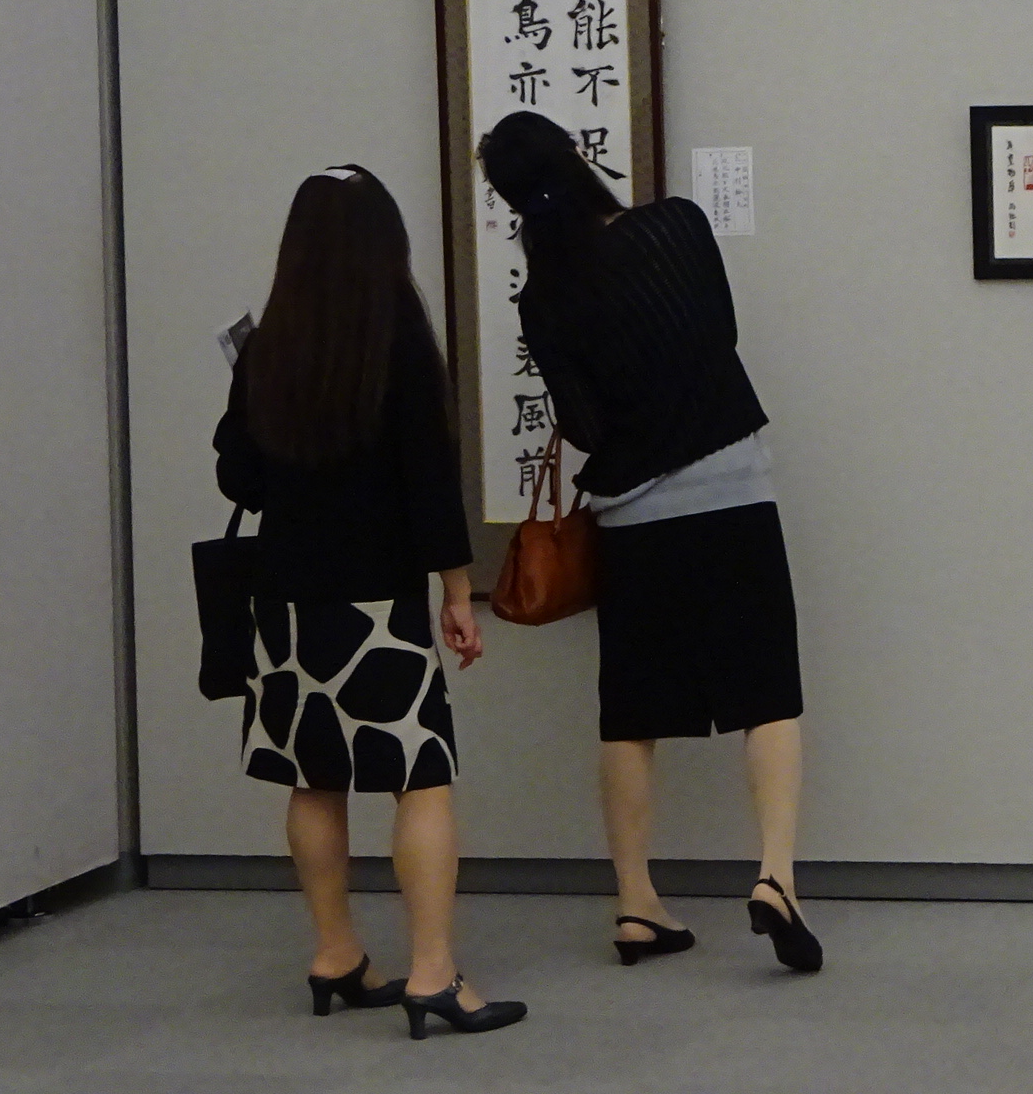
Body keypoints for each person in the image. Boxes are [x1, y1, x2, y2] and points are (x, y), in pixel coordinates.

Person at [477, 111, 824, 973]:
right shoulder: (676, 225)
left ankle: (635, 904)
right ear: (577, 156)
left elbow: (584, 426)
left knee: (631, 714)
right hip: (732, 489)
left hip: (633, 516)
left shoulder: (544, 299)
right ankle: (776, 877)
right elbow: (721, 338)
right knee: (767, 692)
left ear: (512, 203)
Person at [214, 165, 528, 1038]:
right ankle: (433, 972)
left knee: (313, 778)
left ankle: (335, 953)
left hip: (283, 601)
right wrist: (458, 592)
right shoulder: (400, 342)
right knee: (419, 779)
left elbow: (240, 478)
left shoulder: (268, 348)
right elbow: (430, 484)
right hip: (378, 605)